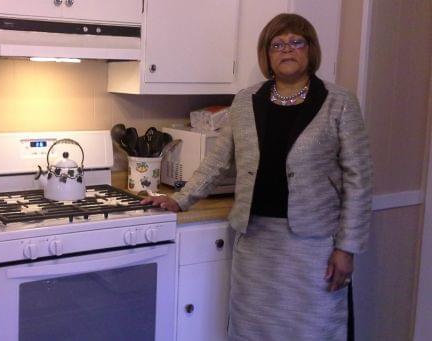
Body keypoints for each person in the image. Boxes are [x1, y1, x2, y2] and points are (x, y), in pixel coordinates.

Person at [142, 13, 372, 340]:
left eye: (296, 42)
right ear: (266, 54)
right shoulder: (246, 101)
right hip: (257, 241)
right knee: (252, 331)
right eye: (277, 44)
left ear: (310, 50)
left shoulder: (339, 103)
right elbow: (218, 161)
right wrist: (180, 199)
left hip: (314, 245)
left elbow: (359, 182)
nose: (286, 49)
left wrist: (346, 248)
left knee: (315, 329)